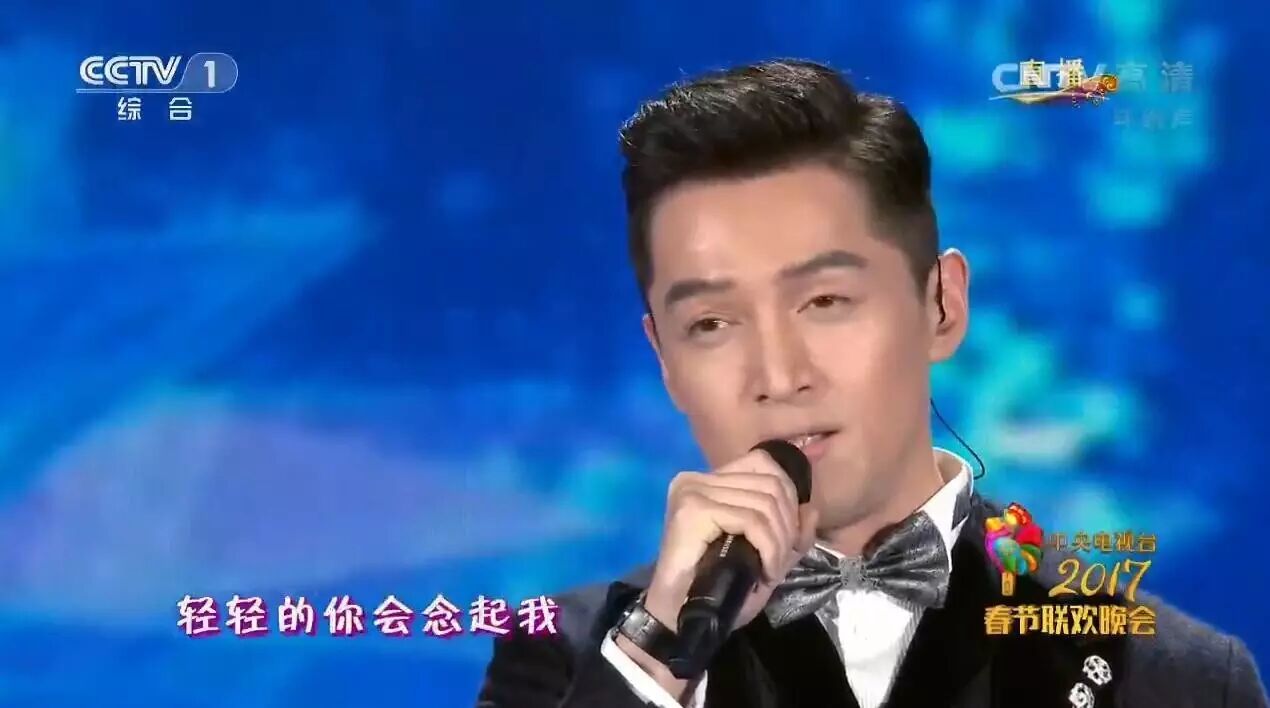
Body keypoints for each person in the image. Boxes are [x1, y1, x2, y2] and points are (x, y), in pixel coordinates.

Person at [475, 59, 1268, 708]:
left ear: (942, 305)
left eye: (825, 302)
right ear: (664, 359)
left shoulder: (1173, 678)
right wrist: (659, 654)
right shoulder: (565, 659)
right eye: (712, 323)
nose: (779, 376)